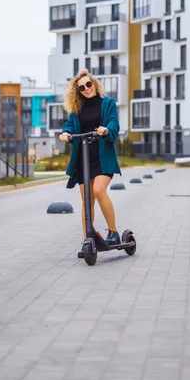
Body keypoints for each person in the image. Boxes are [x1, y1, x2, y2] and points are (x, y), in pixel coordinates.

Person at [59, 69, 122, 254]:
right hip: (83, 158)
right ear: (77, 91)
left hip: (103, 157)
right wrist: (65, 133)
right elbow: (69, 125)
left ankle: (113, 232)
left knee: (98, 190)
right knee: (87, 200)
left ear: (94, 84)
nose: (86, 89)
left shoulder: (107, 103)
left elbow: (113, 123)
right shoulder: (77, 110)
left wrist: (105, 130)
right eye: (81, 87)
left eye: (88, 84)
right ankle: (88, 239)